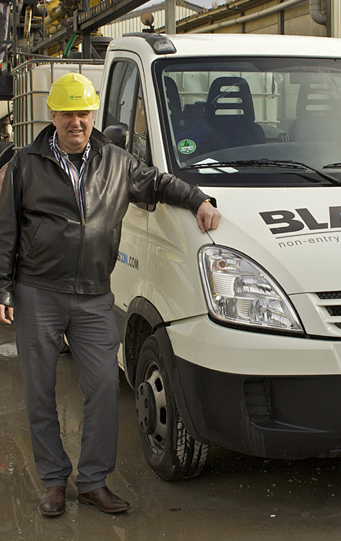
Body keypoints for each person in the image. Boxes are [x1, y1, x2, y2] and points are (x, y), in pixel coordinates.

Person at [0, 73, 221, 516]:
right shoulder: (25, 164)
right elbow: (6, 228)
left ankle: (93, 482)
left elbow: (160, 183)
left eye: (83, 113)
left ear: (92, 114)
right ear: (53, 114)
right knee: (40, 393)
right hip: (38, 292)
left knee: (102, 389)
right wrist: (3, 287)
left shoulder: (117, 161)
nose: (76, 122)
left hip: (93, 295)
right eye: (67, 113)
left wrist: (199, 200)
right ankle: (53, 481)